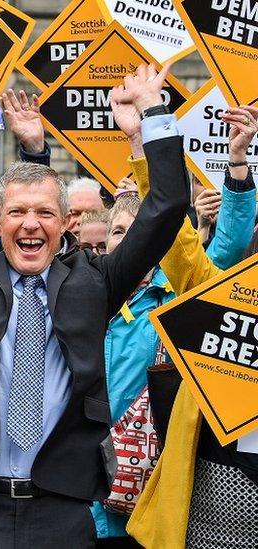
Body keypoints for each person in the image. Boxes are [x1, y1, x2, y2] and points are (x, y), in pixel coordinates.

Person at [0, 56, 189, 547]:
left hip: (60, 509)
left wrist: (153, 115)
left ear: (65, 224)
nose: (30, 223)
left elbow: (167, 207)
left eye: (44, 212)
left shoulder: (96, 280)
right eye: (17, 211)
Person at [88, 89, 257, 548]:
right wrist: (147, 142)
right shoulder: (226, 300)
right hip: (208, 511)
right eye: (117, 232)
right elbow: (178, 241)